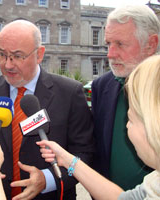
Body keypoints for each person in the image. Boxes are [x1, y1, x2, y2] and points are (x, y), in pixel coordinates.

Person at [0, 20, 95, 200]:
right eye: (1, 55)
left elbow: (85, 153)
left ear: (39, 54)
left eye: (17, 56)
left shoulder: (70, 92)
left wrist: (48, 179)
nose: (8, 65)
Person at [37, 54, 160, 199]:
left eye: (131, 119)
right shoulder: (155, 181)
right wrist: (68, 160)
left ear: (153, 124)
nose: (126, 127)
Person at [91, 5, 160, 190]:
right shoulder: (101, 86)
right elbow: (97, 152)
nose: (110, 54)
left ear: (151, 44)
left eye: (120, 44)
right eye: (108, 44)